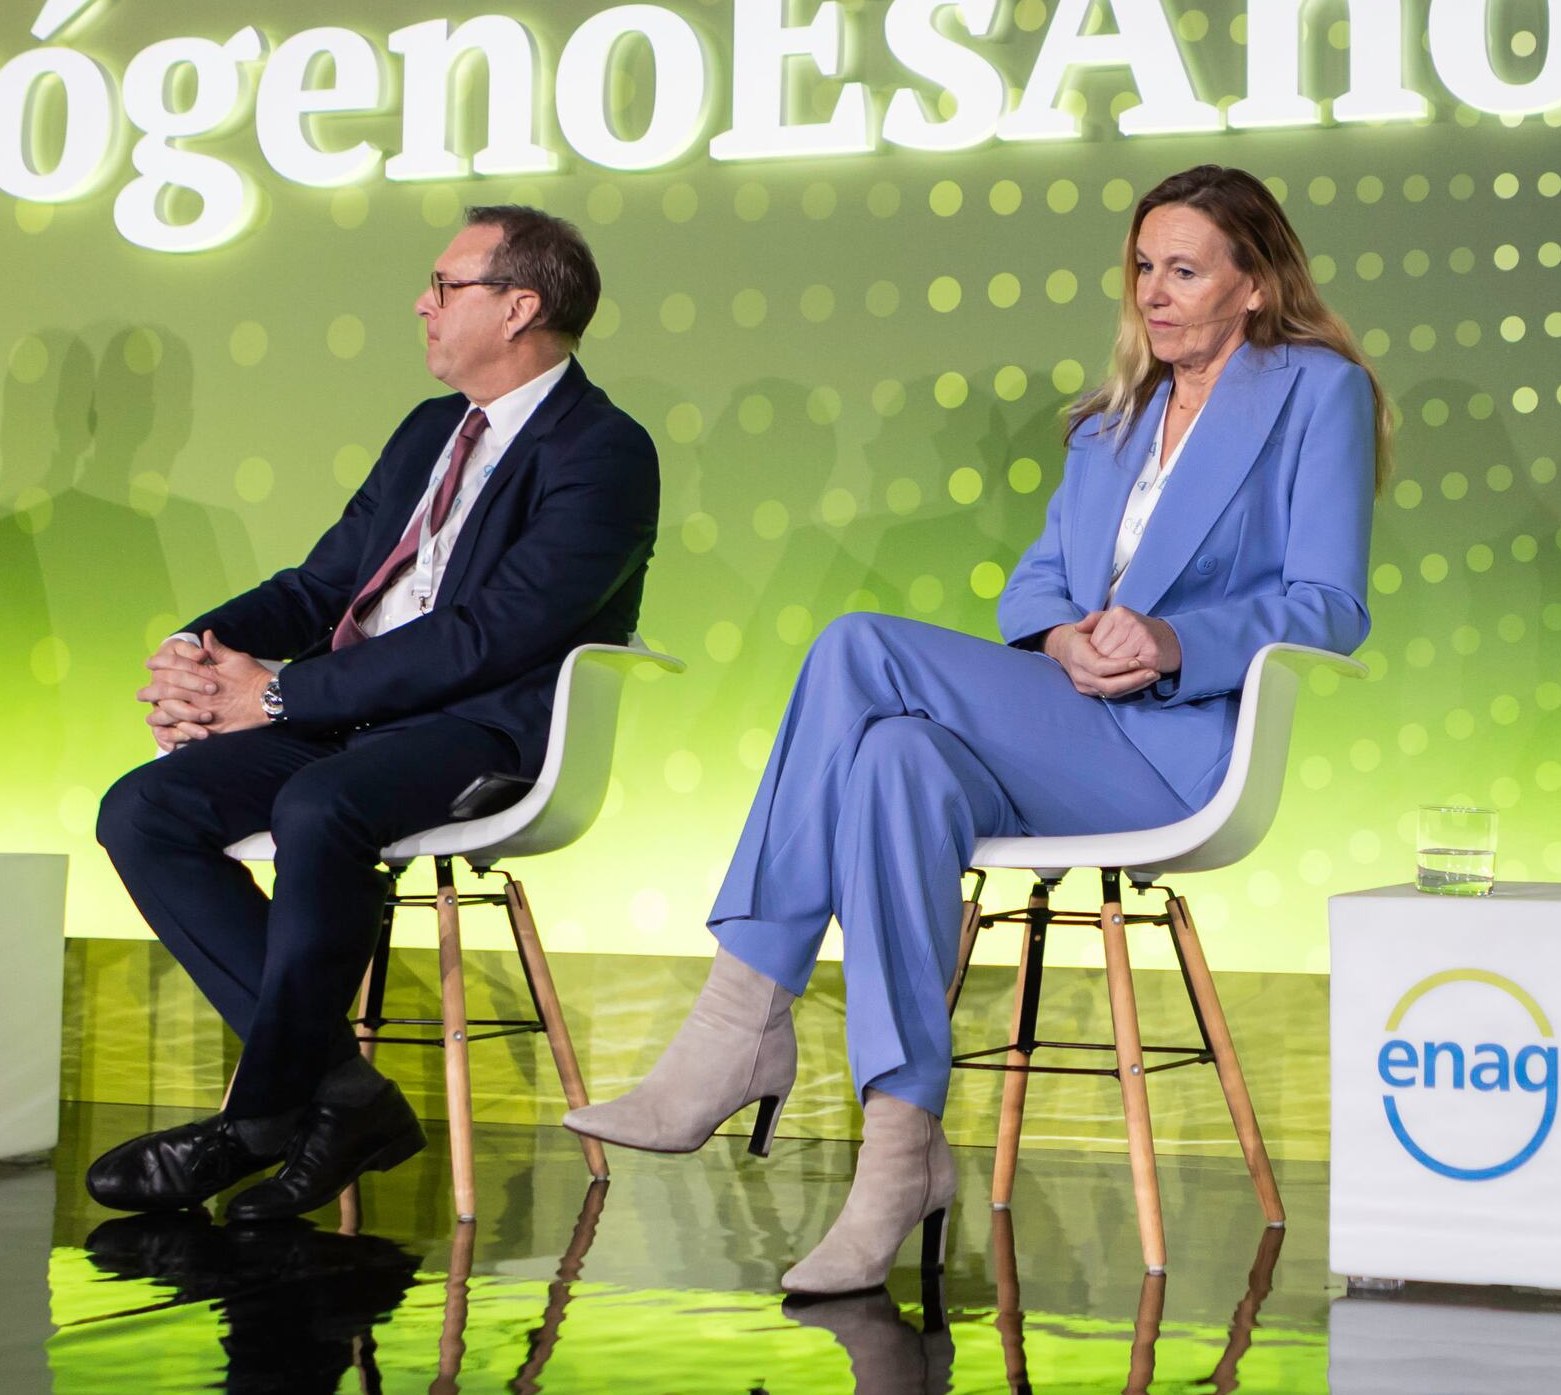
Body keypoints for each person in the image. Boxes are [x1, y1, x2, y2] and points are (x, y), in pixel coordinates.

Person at [567, 165, 1379, 1296]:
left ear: (1253, 283)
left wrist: (1169, 637)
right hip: (1071, 720)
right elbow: (1035, 584)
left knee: (858, 646)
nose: (1152, 290)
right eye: (1142, 265)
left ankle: (740, 1017)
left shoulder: (1312, 389)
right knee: (896, 759)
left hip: (1173, 750)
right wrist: (1058, 637)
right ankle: (901, 1149)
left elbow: (1329, 601)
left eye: (1184, 269)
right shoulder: (1109, 422)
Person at [84, 204, 657, 1230]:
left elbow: (489, 635)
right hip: (346, 711)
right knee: (142, 810)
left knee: (319, 804)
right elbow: (320, 584)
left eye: (446, 285)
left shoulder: (603, 450)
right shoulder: (430, 429)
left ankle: (258, 1118)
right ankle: (343, 1096)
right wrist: (197, 646)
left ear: (519, 305)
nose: (421, 303)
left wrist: (273, 695)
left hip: (478, 727)